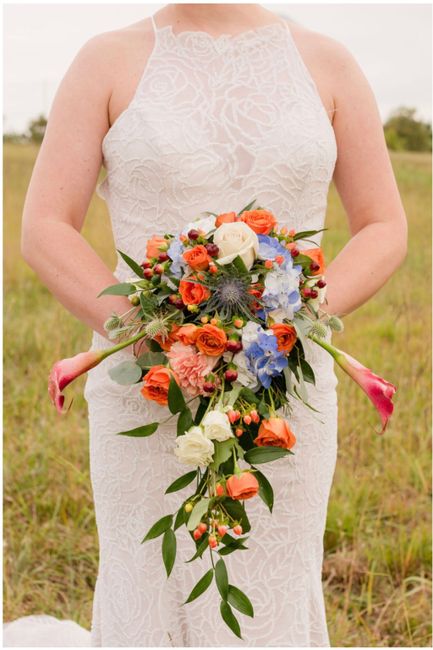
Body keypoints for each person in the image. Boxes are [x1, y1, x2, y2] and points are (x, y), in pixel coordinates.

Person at [5, 3, 407, 647]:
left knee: (270, 588)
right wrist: (155, 332)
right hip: (145, 383)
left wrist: (289, 323)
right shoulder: (105, 58)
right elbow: (45, 227)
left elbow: (385, 225)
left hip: (281, 388)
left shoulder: (329, 62)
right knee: (148, 582)